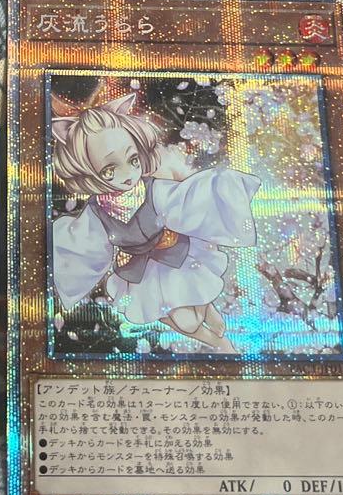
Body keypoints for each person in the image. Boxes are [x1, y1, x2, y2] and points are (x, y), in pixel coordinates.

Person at [51, 91, 260, 353]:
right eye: (109, 170)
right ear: (87, 173)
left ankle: (208, 311)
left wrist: (223, 188)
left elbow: (187, 201)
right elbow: (83, 246)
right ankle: (219, 342)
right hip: (141, 272)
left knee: (189, 314)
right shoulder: (96, 211)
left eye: (133, 160)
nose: (128, 175)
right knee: (172, 317)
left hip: (176, 257)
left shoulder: (154, 189)